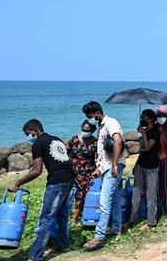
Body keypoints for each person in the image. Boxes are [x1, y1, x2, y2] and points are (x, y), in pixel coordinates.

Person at [10, 119, 73, 261]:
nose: (28, 137)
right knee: (61, 214)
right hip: (70, 177)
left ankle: (35, 258)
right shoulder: (56, 138)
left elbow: (36, 170)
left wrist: (17, 183)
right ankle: (64, 245)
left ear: (35, 131)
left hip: (57, 181)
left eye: (28, 134)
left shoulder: (38, 143)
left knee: (46, 218)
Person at [82, 101, 126, 251]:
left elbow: (118, 141)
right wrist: (99, 168)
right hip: (108, 167)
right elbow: (103, 152)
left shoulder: (111, 122)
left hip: (114, 166)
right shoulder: (101, 127)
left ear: (98, 113)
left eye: (90, 116)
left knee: (104, 200)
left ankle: (99, 236)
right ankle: (116, 228)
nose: (89, 119)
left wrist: (114, 164)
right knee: (113, 198)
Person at [127, 109, 161, 230]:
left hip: (152, 167)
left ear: (150, 119)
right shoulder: (145, 131)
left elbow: (147, 148)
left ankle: (151, 222)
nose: (142, 119)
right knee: (136, 192)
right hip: (141, 164)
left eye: (144, 117)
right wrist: (136, 164)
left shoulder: (155, 131)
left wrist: (144, 133)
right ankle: (133, 218)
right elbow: (141, 150)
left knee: (151, 194)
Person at [66, 120, 98, 223]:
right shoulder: (75, 139)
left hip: (89, 171)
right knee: (79, 193)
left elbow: (101, 156)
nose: (85, 132)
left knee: (87, 193)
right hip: (74, 170)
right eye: (83, 130)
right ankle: (75, 217)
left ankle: (82, 214)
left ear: (92, 131)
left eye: (87, 130)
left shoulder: (95, 142)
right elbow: (67, 150)